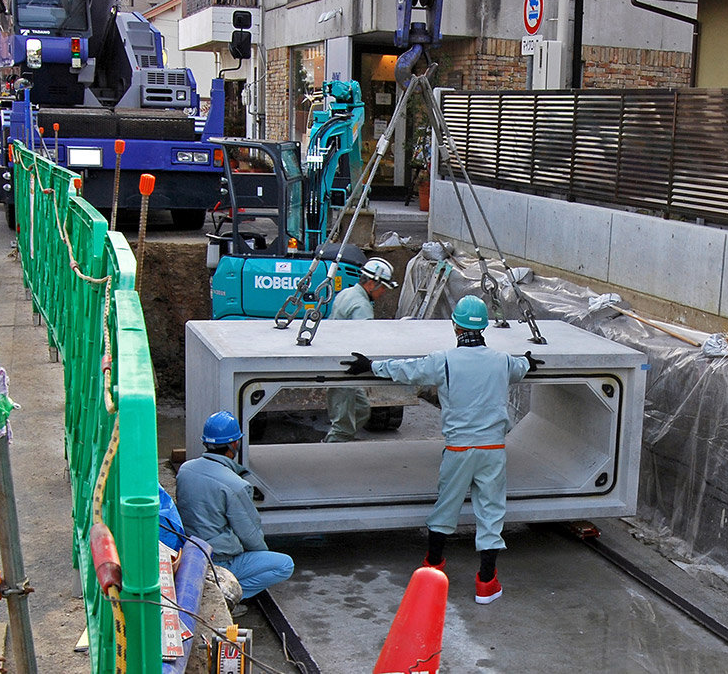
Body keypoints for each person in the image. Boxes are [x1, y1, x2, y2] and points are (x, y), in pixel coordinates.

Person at [341, 294, 545, 604]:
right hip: (493, 449)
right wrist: (529, 361)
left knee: (445, 509)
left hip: (459, 451)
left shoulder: (444, 361)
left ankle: (433, 568)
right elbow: (521, 367)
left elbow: (407, 369)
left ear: (455, 327)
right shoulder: (502, 361)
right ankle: (486, 584)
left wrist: (370, 365)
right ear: (484, 327)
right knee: (491, 514)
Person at [175, 411, 294, 599]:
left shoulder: (186, 469)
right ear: (235, 444)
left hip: (191, 552)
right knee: (284, 564)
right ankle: (227, 595)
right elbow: (250, 534)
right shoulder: (236, 485)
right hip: (219, 560)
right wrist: (259, 556)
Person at [322, 257, 398, 443]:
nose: (382, 293)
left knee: (362, 409)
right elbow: (366, 341)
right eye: (382, 288)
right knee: (343, 425)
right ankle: (332, 450)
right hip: (346, 367)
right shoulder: (361, 307)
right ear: (371, 283)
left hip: (338, 361)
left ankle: (342, 441)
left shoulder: (346, 293)